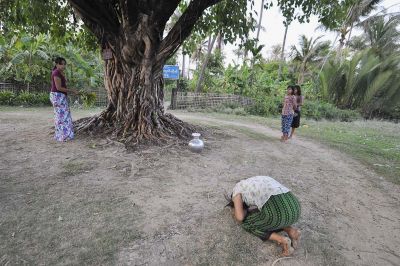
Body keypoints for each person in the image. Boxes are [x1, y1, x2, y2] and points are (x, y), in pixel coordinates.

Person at [226, 176, 301, 256]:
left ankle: (283, 240)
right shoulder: (259, 179)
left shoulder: (237, 189)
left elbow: (240, 217)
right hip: (295, 208)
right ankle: (292, 231)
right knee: (269, 217)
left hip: (278, 214)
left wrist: (236, 209)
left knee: (247, 223)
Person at [49, 57, 79, 142]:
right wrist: (72, 91)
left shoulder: (60, 72)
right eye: (61, 64)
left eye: (64, 64)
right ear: (57, 64)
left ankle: (65, 135)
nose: (63, 65)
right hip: (57, 96)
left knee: (65, 116)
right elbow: (58, 88)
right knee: (61, 117)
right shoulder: (56, 73)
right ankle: (62, 136)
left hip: (60, 96)